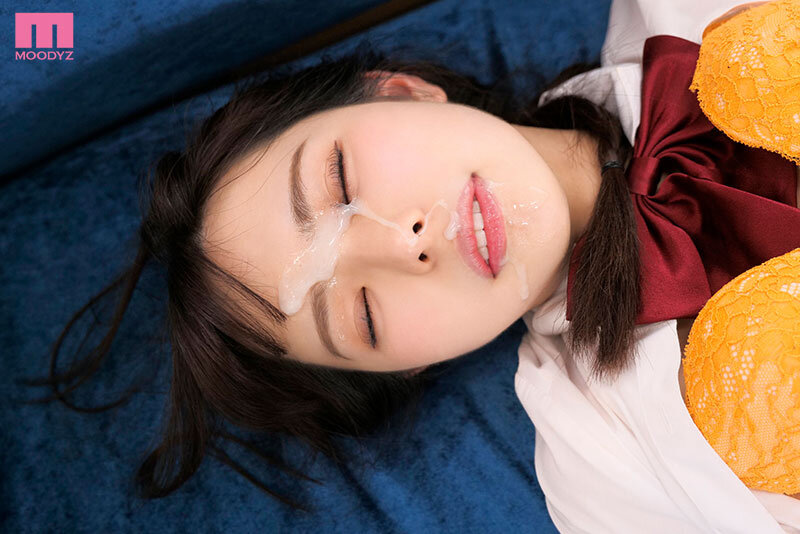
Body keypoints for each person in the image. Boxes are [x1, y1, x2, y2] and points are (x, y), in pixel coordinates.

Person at [30, 0, 799, 529]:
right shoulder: (604, 469)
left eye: (340, 184)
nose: (407, 243)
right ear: (406, 366)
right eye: (362, 314)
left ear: (401, 93)